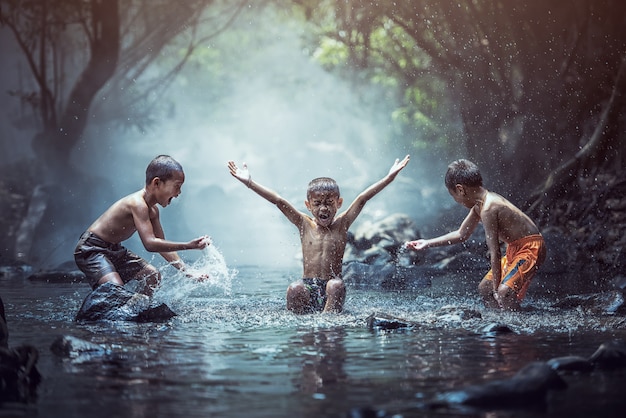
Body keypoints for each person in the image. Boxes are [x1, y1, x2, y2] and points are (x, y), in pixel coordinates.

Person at [228, 155, 410, 314]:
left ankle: (327, 323)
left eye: (329, 202)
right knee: (294, 288)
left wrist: (389, 178)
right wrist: (250, 183)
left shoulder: (342, 224)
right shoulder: (303, 223)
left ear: (339, 203)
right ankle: (300, 326)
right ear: (308, 205)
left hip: (331, 287)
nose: (323, 208)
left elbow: (363, 198)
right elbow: (278, 200)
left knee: (336, 285)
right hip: (308, 285)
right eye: (317, 203)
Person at [405, 159, 546, 311]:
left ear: (460, 190)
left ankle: (517, 326)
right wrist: (427, 243)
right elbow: (461, 234)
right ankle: (500, 322)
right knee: (485, 288)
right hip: (515, 248)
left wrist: (497, 289)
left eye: (454, 196)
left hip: (531, 248)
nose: (457, 201)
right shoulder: (480, 205)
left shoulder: (489, 208)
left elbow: (495, 252)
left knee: (504, 292)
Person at [74, 155, 210, 297]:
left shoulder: (153, 211)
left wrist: (187, 271)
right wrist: (189, 246)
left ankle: (135, 309)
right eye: (177, 186)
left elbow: (162, 245)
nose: (178, 193)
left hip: (114, 250)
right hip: (92, 249)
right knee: (115, 290)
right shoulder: (137, 203)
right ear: (156, 183)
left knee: (152, 276)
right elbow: (150, 244)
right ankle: (111, 310)